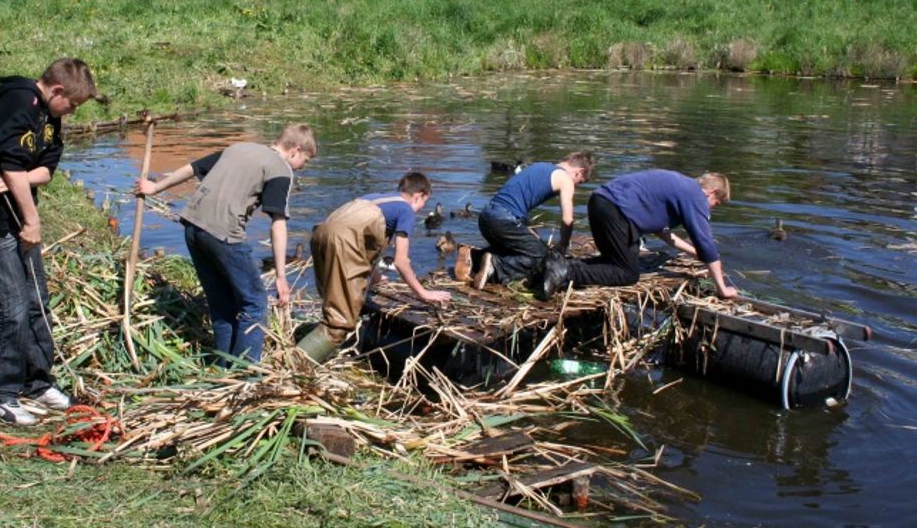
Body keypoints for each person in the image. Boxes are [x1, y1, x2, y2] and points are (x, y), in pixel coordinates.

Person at [0, 58, 97, 426]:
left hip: (17, 215)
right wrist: (32, 218)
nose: (71, 112)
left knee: (38, 299)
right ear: (56, 91)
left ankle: (37, 382)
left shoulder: (50, 117)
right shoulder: (18, 104)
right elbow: (10, 161)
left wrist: (18, 176)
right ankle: (2, 395)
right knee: (14, 305)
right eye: (72, 104)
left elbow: (45, 169)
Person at [134, 125, 316, 365]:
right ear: (295, 150)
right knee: (255, 303)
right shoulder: (280, 168)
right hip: (222, 234)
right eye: (305, 160)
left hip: (193, 228)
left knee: (222, 305)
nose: (301, 166)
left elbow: (193, 168)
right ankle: (246, 375)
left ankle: (223, 369)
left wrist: (156, 187)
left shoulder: (238, 148)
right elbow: (278, 223)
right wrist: (281, 277)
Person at [298, 172, 452, 363]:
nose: (421, 209)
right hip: (342, 241)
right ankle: (293, 365)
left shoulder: (375, 199)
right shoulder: (405, 210)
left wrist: (375, 275)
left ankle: (302, 344)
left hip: (320, 234)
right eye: (423, 203)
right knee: (340, 323)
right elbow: (401, 261)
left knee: (332, 301)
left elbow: (361, 240)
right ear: (419, 195)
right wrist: (423, 293)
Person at [543, 170, 737, 300]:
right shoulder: (695, 196)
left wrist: (694, 253)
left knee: (613, 262)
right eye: (716, 203)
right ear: (712, 192)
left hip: (599, 202)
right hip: (616, 211)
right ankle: (566, 270)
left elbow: (663, 232)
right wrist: (722, 288)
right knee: (627, 273)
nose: (712, 208)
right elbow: (707, 245)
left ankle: (551, 266)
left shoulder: (681, 187)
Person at [473, 152, 595, 289]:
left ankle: (473, 258)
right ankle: (497, 266)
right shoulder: (565, 179)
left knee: (518, 251)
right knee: (542, 259)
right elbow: (567, 220)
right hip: (504, 221)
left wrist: (530, 232)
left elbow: (515, 200)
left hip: (486, 217)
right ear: (580, 172)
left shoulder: (538, 166)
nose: (577, 185)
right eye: (580, 182)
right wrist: (563, 245)